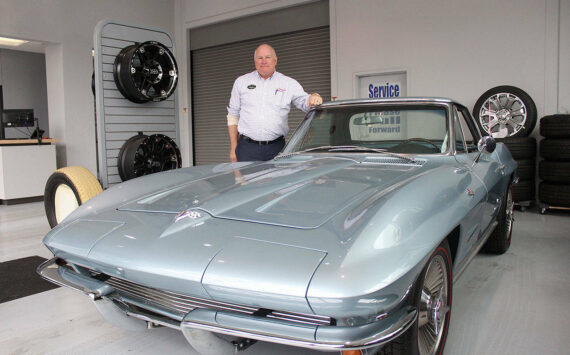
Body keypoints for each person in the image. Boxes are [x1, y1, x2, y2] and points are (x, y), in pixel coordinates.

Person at [227, 43, 323, 162]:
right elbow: (233, 115)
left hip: (277, 148)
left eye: (268, 57)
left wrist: (315, 96)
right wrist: (233, 148)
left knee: (278, 181)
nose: (264, 61)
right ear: (254, 61)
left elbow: (306, 102)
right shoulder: (241, 82)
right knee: (245, 181)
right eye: (260, 58)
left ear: (275, 60)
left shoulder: (288, 83)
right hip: (247, 148)